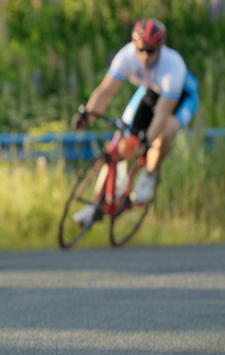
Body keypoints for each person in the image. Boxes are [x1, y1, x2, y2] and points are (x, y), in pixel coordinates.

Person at [70, 18, 199, 225]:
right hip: (150, 92)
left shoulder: (173, 66)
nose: (145, 56)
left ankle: (148, 175)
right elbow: (106, 91)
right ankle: (94, 206)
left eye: (150, 51)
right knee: (120, 143)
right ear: (134, 46)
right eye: (140, 50)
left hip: (181, 97)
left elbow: (162, 114)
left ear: (161, 47)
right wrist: (88, 115)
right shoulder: (126, 56)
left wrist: (147, 142)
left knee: (163, 133)